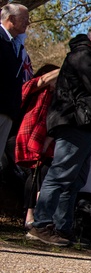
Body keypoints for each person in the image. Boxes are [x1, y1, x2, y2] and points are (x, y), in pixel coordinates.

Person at [27, 21, 91, 246]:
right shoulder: (84, 56)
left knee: (75, 180)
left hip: (85, 125)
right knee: (61, 174)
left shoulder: (89, 56)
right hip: (75, 122)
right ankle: (41, 224)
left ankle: (62, 227)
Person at [14, 65, 59, 227]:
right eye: (56, 80)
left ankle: (39, 217)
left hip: (44, 143)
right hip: (21, 138)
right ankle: (30, 215)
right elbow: (41, 81)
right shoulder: (34, 89)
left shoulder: (56, 98)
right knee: (34, 172)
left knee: (44, 171)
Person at [0, 4, 32, 177]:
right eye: (24, 18)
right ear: (11, 18)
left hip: (8, 110)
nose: (28, 22)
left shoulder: (17, 46)